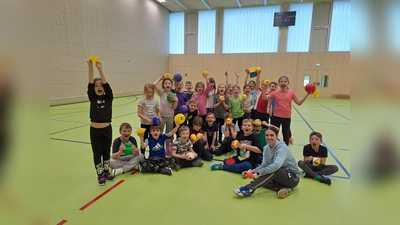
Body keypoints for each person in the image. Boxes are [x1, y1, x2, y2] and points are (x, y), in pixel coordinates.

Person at [233, 127, 300, 199]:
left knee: (271, 171)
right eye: (267, 135)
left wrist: (259, 173)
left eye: (271, 135)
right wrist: (253, 171)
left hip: (293, 178)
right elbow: (264, 165)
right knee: (260, 179)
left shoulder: (282, 148)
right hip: (279, 177)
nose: (269, 137)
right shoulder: (266, 148)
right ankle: (282, 188)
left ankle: (249, 189)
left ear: (277, 136)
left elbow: (276, 165)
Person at [87, 60, 115, 185]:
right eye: (96, 86)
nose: (99, 87)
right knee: (97, 153)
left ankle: (106, 171)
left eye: (101, 85)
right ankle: (100, 174)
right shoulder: (92, 97)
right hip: (94, 131)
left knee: (106, 152)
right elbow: (90, 83)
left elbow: (106, 84)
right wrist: (90, 67)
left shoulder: (108, 97)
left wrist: (100, 69)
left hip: (107, 129)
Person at [263, 76, 311, 146]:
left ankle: (285, 149)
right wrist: (264, 89)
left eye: (285, 81)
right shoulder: (275, 92)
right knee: (273, 133)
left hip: (286, 117)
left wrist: (307, 94)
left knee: (286, 134)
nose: (283, 83)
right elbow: (265, 98)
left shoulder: (291, 93)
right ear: (279, 83)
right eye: (281, 81)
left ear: (288, 83)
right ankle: (272, 147)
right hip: (276, 116)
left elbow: (299, 103)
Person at [153, 75, 178, 146]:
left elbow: (173, 108)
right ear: (163, 85)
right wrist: (160, 78)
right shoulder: (161, 93)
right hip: (162, 117)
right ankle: (159, 148)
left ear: (171, 85)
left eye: (169, 83)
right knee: (159, 133)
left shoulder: (173, 95)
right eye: (166, 83)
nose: (167, 84)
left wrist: (176, 101)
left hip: (170, 117)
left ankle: (168, 149)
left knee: (168, 134)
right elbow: (154, 84)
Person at [137, 84, 161, 156]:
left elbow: (157, 111)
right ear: (145, 92)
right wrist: (147, 119)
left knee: (153, 139)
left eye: (151, 92)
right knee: (143, 139)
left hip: (153, 124)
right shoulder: (141, 101)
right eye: (147, 92)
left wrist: (159, 117)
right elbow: (139, 114)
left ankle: (153, 154)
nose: (149, 94)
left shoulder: (156, 102)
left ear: (153, 92)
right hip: (144, 124)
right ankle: (142, 155)